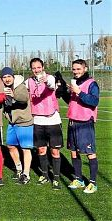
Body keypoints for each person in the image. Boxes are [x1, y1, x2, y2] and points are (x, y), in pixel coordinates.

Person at [61, 59, 99, 194]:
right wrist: (63, 91)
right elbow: (71, 101)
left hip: (85, 123)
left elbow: (94, 101)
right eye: (74, 69)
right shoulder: (74, 83)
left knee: (90, 153)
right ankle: (79, 179)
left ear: (85, 69)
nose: (76, 71)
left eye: (78, 69)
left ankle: (93, 183)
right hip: (72, 120)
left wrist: (79, 92)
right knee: (73, 151)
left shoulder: (91, 83)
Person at [25, 58, 63, 190]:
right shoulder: (29, 81)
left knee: (55, 151)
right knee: (41, 150)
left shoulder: (50, 78)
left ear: (43, 67)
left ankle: (56, 178)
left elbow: (51, 85)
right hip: (37, 120)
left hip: (52, 120)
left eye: (38, 67)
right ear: (31, 69)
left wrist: (45, 80)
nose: (36, 70)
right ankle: (45, 175)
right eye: (34, 68)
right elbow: (17, 85)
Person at [0, 67, 34, 185]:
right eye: (4, 77)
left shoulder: (20, 86)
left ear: (13, 77)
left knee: (25, 148)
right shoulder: (5, 87)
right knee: (10, 146)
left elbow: (24, 99)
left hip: (24, 122)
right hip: (12, 122)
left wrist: (13, 95)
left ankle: (26, 174)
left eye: (9, 76)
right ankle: (18, 169)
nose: (7, 79)